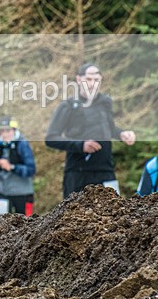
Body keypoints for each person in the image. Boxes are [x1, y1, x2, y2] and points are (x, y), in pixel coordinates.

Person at [45, 62, 136, 198]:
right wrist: (81, 145)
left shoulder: (106, 102)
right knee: (75, 217)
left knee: (114, 215)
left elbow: (109, 129)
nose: (92, 83)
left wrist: (122, 134)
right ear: (79, 80)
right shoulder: (68, 106)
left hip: (106, 170)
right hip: (78, 173)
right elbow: (51, 138)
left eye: (96, 80)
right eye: (88, 79)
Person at [0, 116, 36, 216]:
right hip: (2, 192)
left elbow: (31, 169)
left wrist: (12, 167)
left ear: (14, 130)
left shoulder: (22, 144)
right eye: (2, 131)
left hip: (22, 193)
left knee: (26, 228)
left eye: (8, 131)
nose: (5, 134)